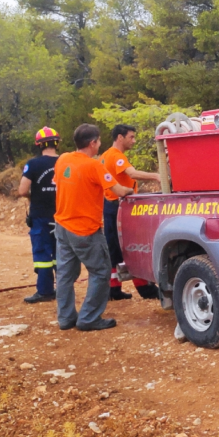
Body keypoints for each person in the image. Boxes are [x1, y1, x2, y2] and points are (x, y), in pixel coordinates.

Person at [53, 124, 133, 332]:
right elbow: (118, 190)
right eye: (98, 141)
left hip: (62, 226)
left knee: (65, 275)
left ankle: (66, 318)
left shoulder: (62, 159)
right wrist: (132, 190)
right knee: (100, 271)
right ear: (92, 143)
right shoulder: (94, 166)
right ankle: (89, 317)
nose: (99, 145)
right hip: (85, 230)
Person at [101, 124, 161, 300]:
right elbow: (132, 173)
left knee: (114, 247)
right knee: (133, 246)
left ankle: (114, 289)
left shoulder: (104, 156)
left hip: (109, 206)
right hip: (119, 206)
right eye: (131, 137)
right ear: (120, 137)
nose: (133, 141)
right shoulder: (116, 156)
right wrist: (156, 176)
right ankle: (146, 289)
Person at [18, 127, 60, 304]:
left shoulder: (33, 164)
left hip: (40, 216)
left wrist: (34, 195)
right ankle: (65, 290)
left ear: (38, 145)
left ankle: (45, 291)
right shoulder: (65, 161)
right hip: (62, 216)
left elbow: (22, 190)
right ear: (57, 142)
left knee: (43, 254)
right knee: (61, 254)